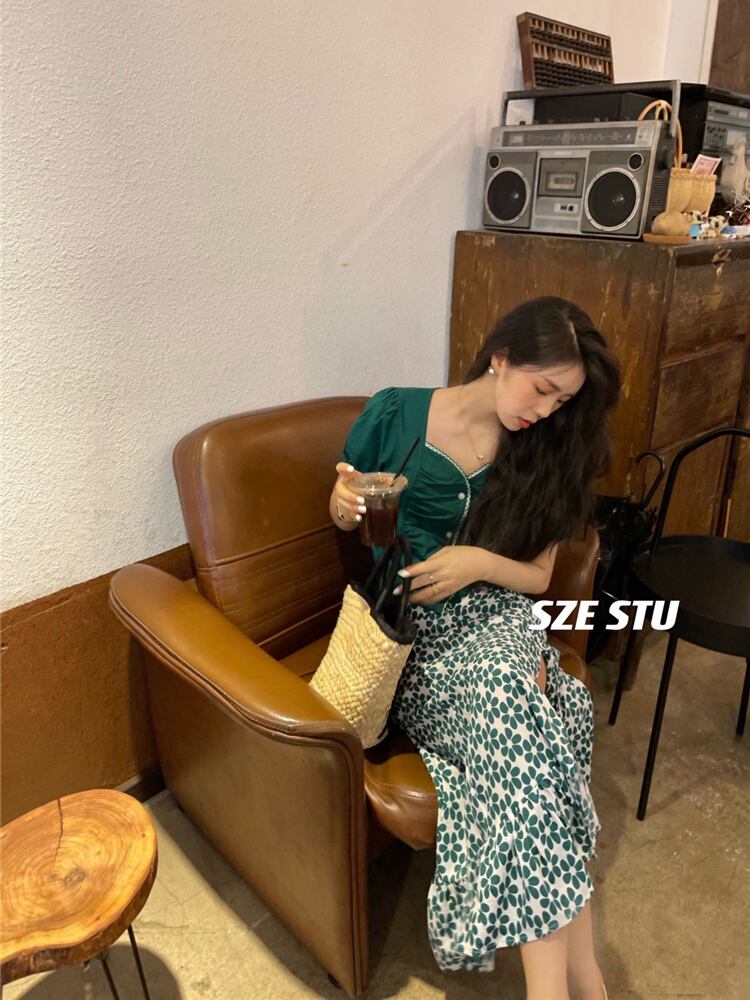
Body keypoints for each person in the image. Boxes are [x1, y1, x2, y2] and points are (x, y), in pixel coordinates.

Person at [329, 296, 620, 1000]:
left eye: (563, 400)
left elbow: (539, 578)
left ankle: (560, 991)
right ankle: (584, 981)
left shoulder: (547, 448)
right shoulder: (395, 414)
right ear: (501, 357)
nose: (547, 411)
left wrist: (477, 563)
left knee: (507, 690)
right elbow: (345, 501)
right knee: (544, 727)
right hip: (414, 641)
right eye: (542, 389)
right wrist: (342, 504)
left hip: (499, 621)